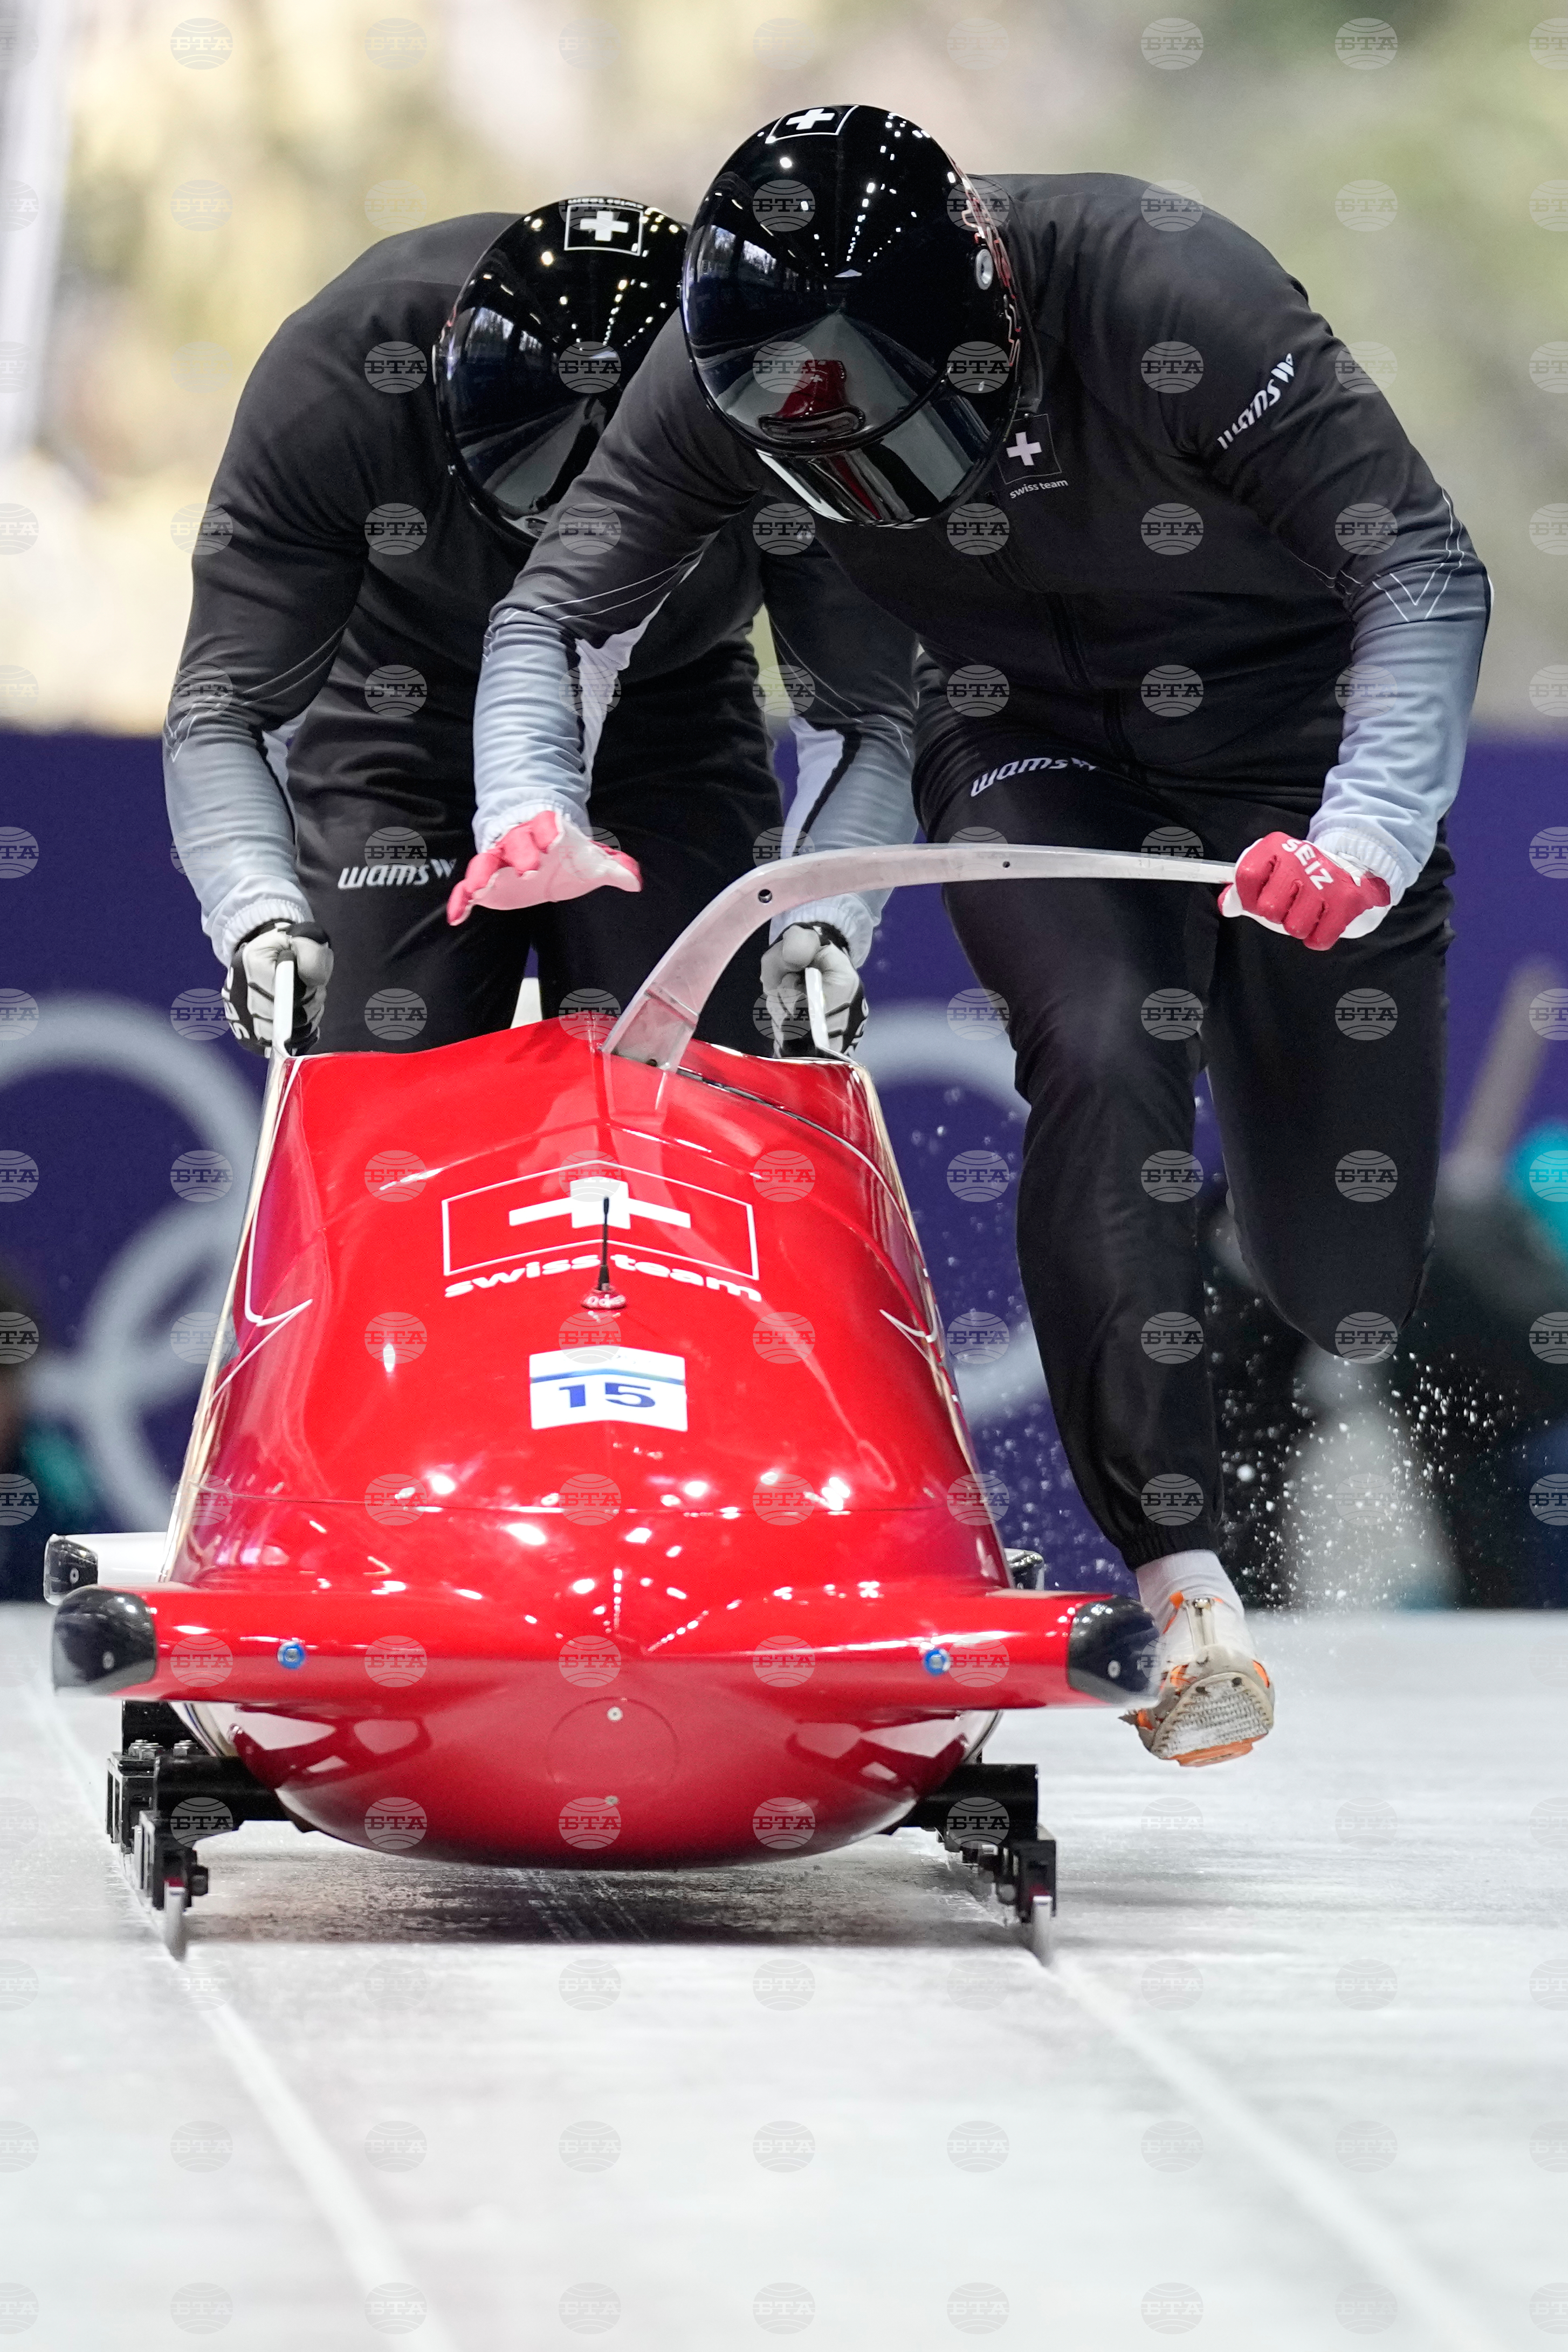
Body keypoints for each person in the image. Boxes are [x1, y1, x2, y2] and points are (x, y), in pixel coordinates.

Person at [464, 108, 1490, 1768]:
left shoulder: (1174, 290)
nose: (866, 476)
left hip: (1298, 756)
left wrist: (1367, 830)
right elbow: (553, 608)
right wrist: (525, 800)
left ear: (997, 311)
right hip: (1027, 735)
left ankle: (1239, 1240)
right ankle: (1180, 1584)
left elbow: (1424, 571)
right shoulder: (712, 371)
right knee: (1101, 1040)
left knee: (1343, 1288)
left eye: (903, 435)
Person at [164, 196, 914, 1058]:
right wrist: (259, 911)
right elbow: (226, 707)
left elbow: (865, 718)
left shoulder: (787, 401)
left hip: (665, 717)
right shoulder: (338, 380)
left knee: (695, 1084)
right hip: (404, 711)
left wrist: (824, 919)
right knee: (384, 1084)